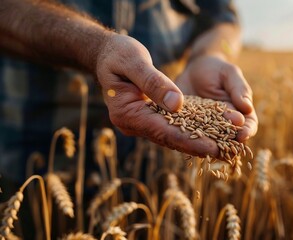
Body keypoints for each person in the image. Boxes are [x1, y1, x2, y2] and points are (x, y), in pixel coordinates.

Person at [0, 1, 257, 186]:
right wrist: (94, 47)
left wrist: (210, 54)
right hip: (38, 162)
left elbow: (223, 19)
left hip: (154, 165)